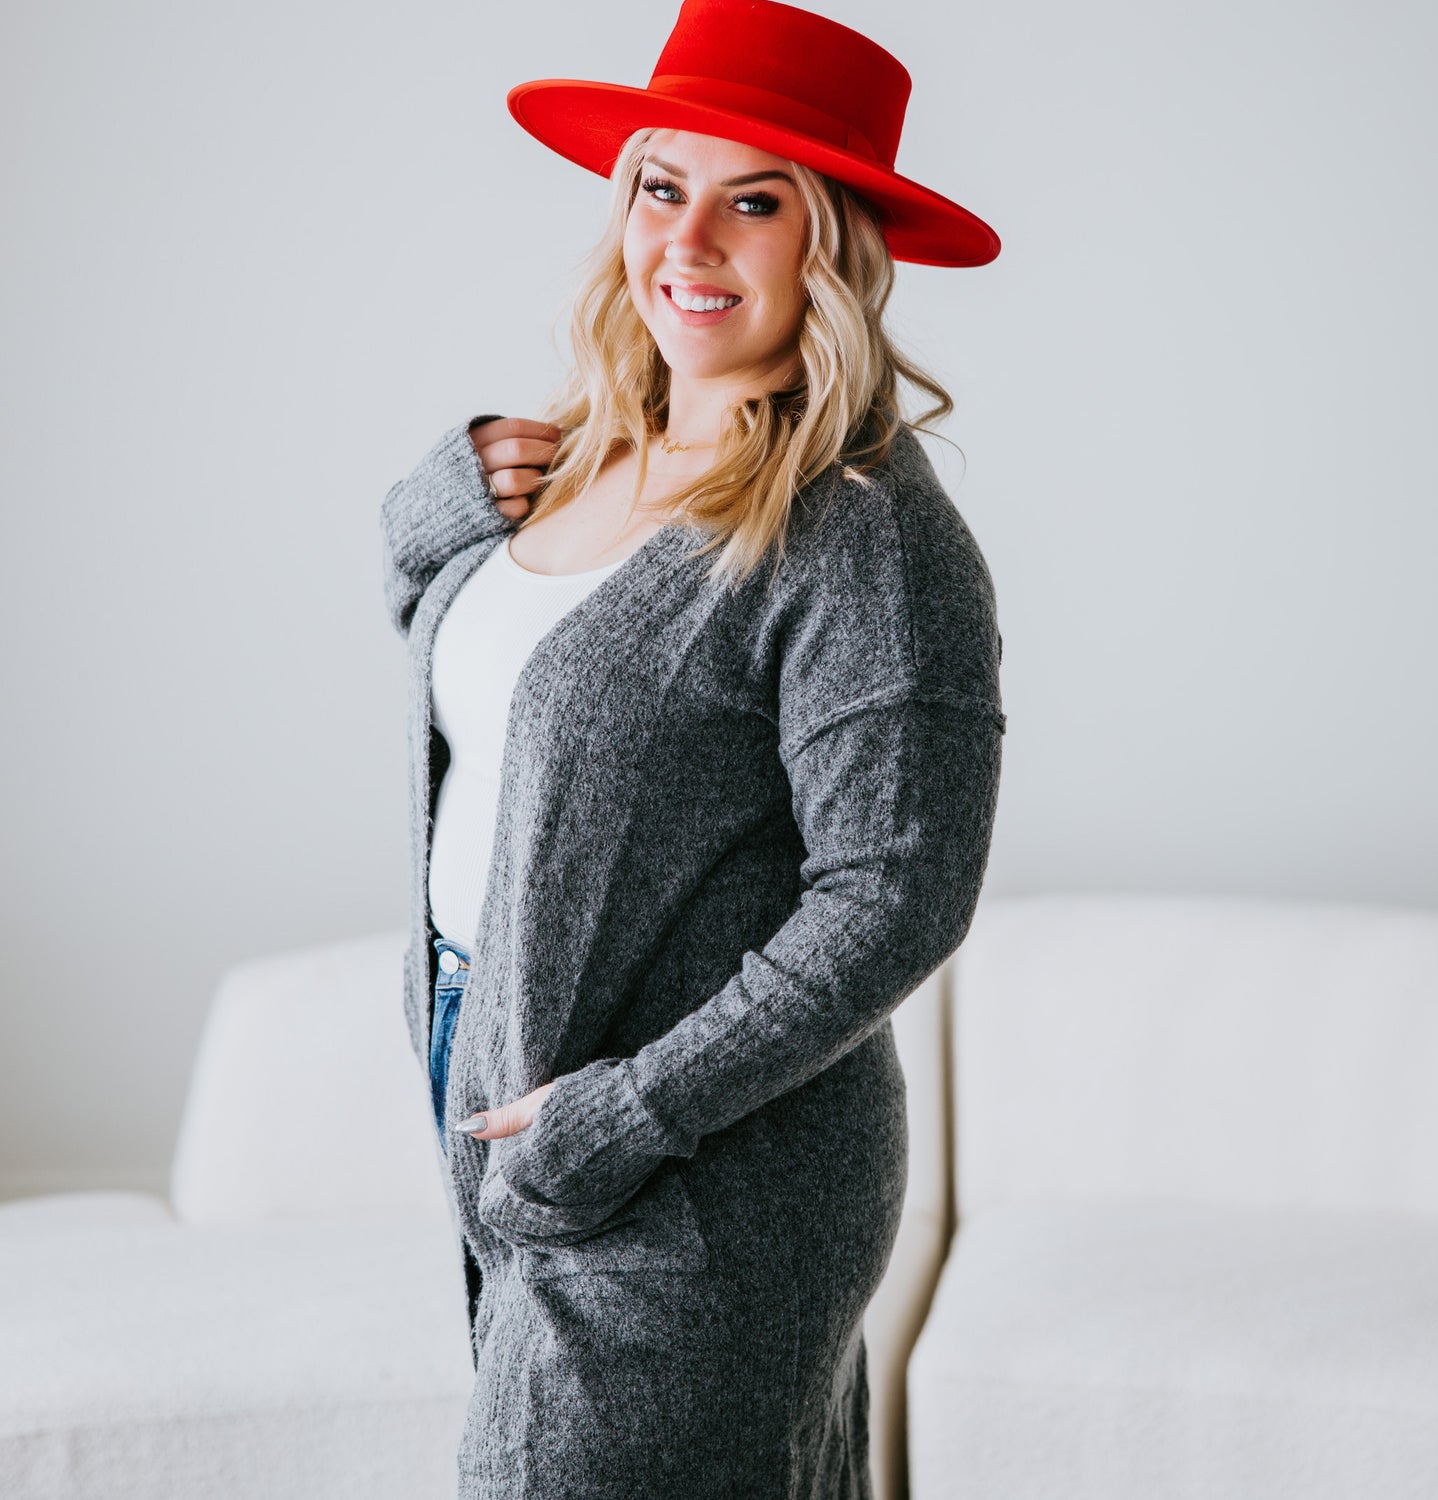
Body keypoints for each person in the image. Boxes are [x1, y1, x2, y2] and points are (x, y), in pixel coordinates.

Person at [378, 0, 1006, 1494]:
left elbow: (897, 892)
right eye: (663, 186)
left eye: (755, 203)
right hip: (504, 1082)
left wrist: (627, 1113)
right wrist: (429, 517)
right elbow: (492, 702)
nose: (690, 240)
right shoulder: (582, 451)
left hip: (708, 1163)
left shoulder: (864, 533)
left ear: (835, 245)